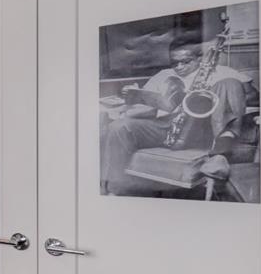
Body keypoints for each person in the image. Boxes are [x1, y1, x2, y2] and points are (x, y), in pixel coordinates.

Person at [101, 35, 251, 194]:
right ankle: (113, 191)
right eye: (174, 63)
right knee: (119, 126)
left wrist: (212, 95)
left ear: (199, 58)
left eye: (185, 61)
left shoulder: (222, 71)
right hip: (166, 125)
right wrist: (136, 100)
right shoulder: (163, 75)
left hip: (203, 128)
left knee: (229, 83)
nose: (179, 67)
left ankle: (220, 155)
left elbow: (252, 95)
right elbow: (142, 106)